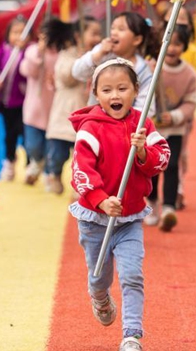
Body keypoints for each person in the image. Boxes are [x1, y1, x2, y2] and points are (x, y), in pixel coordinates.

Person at [69, 58, 170, 351]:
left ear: (136, 90)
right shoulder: (90, 128)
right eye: (108, 90)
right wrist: (101, 200)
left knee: (132, 275)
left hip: (129, 218)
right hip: (93, 218)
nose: (115, 96)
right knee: (100, 276)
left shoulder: (142, 124)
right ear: (96, 93)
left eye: (123, 88)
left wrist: (142, 152)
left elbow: (161, 159)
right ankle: (99, 296)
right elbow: (81, 172)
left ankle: (131, 335)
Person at [144, 25, 196, 231]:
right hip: (153, 129)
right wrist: (152, 116)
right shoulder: (152, 68)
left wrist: (174, 116)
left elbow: (190, 103)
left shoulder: (189, 74)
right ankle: (152, 203)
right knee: (152, 167)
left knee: (172, 165)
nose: (173, 48)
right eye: (169, 43)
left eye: (178, 43)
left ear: (184, 46)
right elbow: (142, 95)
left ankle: (168, 207)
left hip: (175, 129)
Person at [44, 17, 102, 194]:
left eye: (99, 34)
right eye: (93, 34)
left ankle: (81, 183)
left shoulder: (98, 56)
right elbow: (68, 77)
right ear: (78, 36)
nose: (98, 38)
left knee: (85, 156)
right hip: (65, 116)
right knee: (59, 154)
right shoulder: (68, 55)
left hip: (86, 118)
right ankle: (53, 172)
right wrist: (86, 60)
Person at [71, 12, 157, 117]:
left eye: (121, 29)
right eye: (113, 28)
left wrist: (123, 120)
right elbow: (77, 72)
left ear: (137, 40)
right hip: (96, 121)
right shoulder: (102, 53)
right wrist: (98, 54)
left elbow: (147, 108)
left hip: (126, 127)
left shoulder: (143, 69)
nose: (114, 33)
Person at [18, 19, 65, 185]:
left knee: (52, 146)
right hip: (35, 108)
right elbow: (27, 70)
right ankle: (37, 161)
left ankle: (48, 174)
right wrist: (39, 53)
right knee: (33, 145)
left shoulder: (63, 53)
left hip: (55, 108)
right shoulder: (33, 51)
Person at [0, 16, 28, 181]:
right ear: (8, 35)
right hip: (7, 103)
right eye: (15, 32)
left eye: (23, 33)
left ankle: (30, 164)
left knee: (26, 134)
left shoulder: (29, 52)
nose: (19, 36)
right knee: (10, 134)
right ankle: (9, 161)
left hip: (25, 103)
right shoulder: (2, 52)